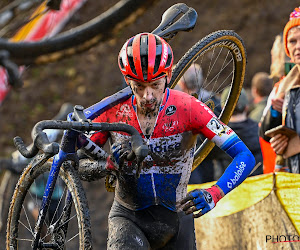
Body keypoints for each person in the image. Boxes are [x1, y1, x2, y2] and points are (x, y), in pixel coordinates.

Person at [80, 33, 255, 249]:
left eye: (155, 84)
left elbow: (244, 156)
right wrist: (108, 165)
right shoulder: (112, 111)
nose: (148, 96)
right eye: (139, 86)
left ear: (169, 75)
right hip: (129, 219)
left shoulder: (189, 108)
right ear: (128, 81)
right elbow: (79, 165)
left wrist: (215, 193)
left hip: (177, 219)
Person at [260, 7, 300, 174]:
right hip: (292, 174)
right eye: (292, 41)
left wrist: (293, 144)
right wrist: (275, 114)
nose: (298, 46)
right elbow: (264, 133)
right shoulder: (285, 86)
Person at [174, 63, 221, 184]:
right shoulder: (214, 100)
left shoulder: (179, 106)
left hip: (192, 168)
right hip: (210, 164)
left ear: (182, 84)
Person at [216, 87, 263, 176]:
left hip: (225, 188)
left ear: (223, 108)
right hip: (257, 186)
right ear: (246, 107)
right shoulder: (259, 131)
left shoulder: (217, 135)